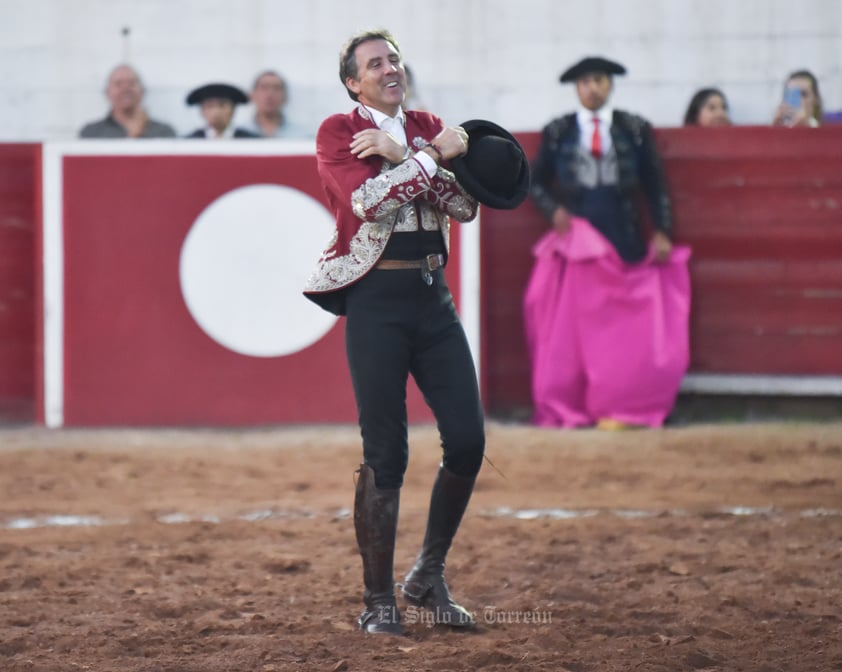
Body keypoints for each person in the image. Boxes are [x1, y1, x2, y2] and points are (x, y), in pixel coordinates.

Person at [302, 29, 528, 635]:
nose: (389, 68)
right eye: (375, 64)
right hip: (376, 303)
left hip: (433, 299)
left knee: (467, 441)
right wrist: (431, 157)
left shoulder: (427, 123)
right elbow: (368, 204)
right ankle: (378, 599)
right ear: (354, 81)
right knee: (386, 453)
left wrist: (410, 155)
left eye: (394, 59)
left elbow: (464, 206)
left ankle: (427, 574)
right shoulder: (338, 133)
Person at [525, 56, 691, 431]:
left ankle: (619, 402)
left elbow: (654, 183)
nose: (592, 88)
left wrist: (662, 230)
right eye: (585, 82)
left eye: (599, 80)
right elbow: (534, 183)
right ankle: (583, 402)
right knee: (578, 329)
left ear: (610, 84)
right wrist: (553, 211)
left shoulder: (634, 128)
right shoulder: (558, 131)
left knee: (618, 330)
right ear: (576, 89)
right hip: (579, 240)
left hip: (624, 233)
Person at [79, 64, 176, 138]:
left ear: (142, 91)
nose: (125, 88)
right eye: (118, 84)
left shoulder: (163, 132)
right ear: (107, 93)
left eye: (131, 83)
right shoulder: (91, 133)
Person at [244, 70, 312, 138]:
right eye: (264, 87)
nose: (270, 94)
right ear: (252, 95)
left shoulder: (301, 135)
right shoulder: (239, 134)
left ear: (285, 97)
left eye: (276, 88)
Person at [185, 83, 259, 138]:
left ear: (233, 110)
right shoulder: (190, 141)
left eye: (222, 105)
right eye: (210, 106)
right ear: (202, 111)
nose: (216, 111)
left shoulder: (250, 140)